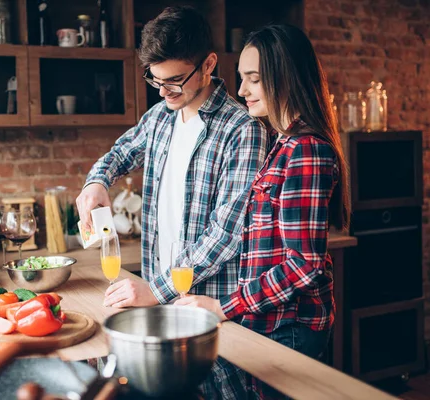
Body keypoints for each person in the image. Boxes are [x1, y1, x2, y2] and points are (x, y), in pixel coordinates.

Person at [176, 24, 351, 398]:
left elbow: (304, 264)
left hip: (290, 325)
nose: (241, 91)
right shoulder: (281, 141)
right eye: (242, 78)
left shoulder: (305, 149)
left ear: (285, 77)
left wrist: (225, 306)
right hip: (270, 320)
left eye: (254, 79)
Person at [75, 5, 267, 310]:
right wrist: (96, 182)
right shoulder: (159, 118)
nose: (164, 92)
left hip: (207, 307)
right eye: (155, 81)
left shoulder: (243, 130)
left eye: (174, 80)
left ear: (208, 65)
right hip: (158, 300)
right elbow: (121, 153)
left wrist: (156, 289)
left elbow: (226, 235)